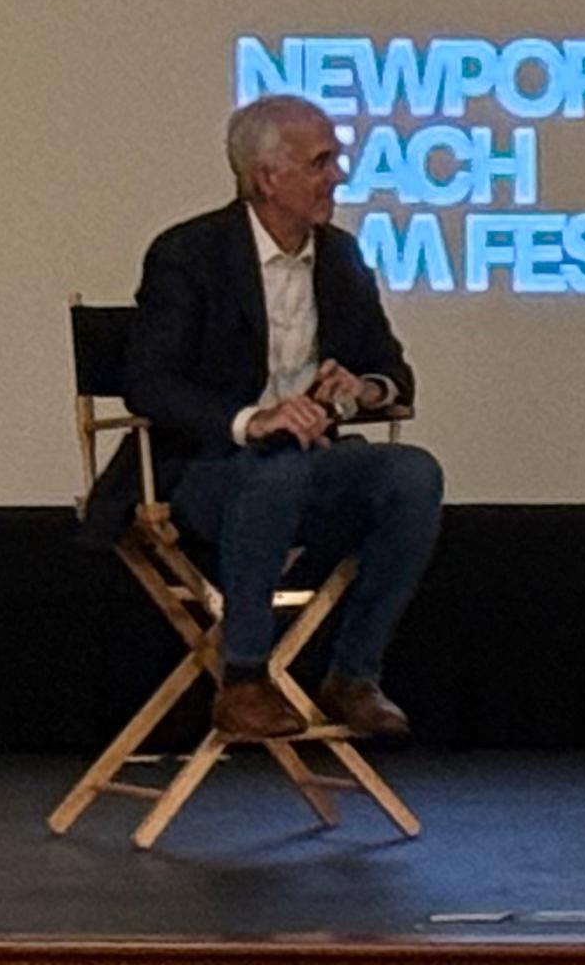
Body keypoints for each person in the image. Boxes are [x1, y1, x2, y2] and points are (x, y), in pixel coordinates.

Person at [101, 92, 447, 743]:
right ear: (267, 177)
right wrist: (251, 421)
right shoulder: (189, 254)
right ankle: (244, 679)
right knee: (275, 465)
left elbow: (393, 374)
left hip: (307, 471)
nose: (337, 177)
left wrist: (363, 390)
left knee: (412, 474)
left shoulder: (340, 258)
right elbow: (149, 383)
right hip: (204, 471)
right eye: (320, 163)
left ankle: (354, 675)